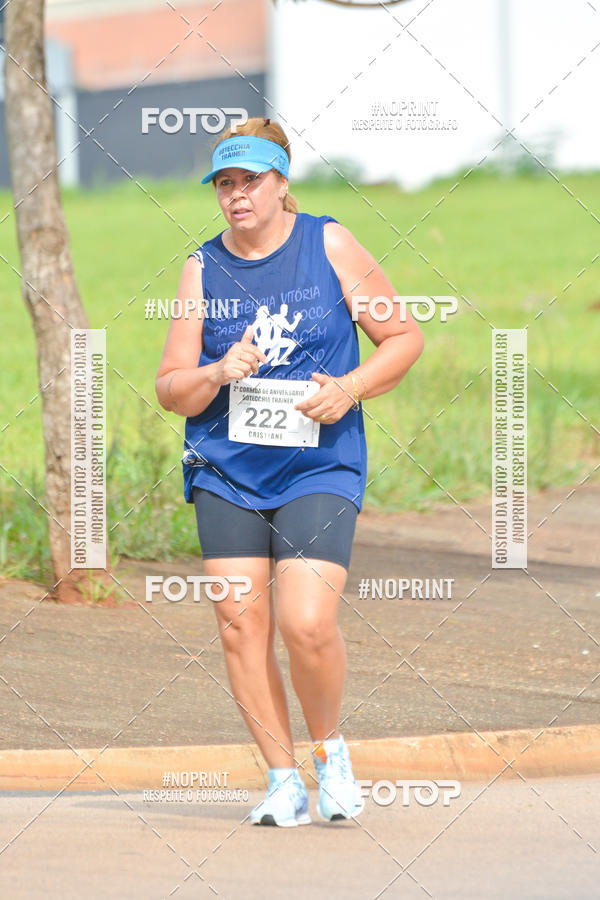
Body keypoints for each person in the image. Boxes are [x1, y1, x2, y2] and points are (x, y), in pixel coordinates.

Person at [155, 117, 423, 826]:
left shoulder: (327, 242)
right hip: (227, 469)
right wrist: (215, 370)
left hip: (318, 465)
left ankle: (330, 753)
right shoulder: (201, 268)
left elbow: (403, 336)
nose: (236, 195)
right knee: (240, 625)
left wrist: (350, 387)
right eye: (225, 183)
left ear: (281, 184)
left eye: (250, 181)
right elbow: (170, 386)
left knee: (305, 623)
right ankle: (282, 779)